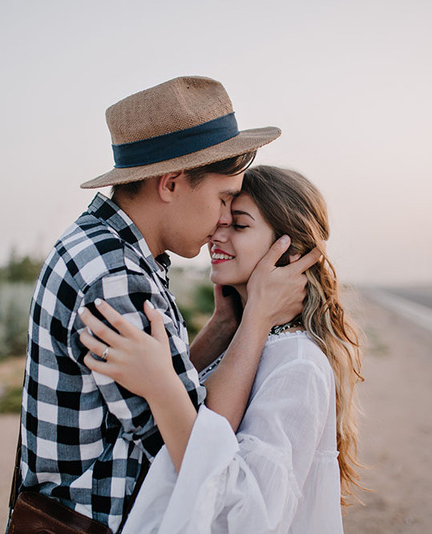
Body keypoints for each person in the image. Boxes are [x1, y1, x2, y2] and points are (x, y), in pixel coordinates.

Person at [16, 77, 320, 533]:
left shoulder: (112, 248)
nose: (222, 220)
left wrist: (221, 328)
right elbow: (194, 444)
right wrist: (257, 317)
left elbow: (161, 386)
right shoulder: (115, 277)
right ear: (172, 183)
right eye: (222, 200)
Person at [79, 165, 365, 533]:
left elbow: (245, 516)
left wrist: (162, 387)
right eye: (222, 218)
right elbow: (201, 415)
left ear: (289, 250)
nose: (217, 233)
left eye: (240, 225)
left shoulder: (298, 364)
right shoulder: (245, 341)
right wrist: (227, 326)